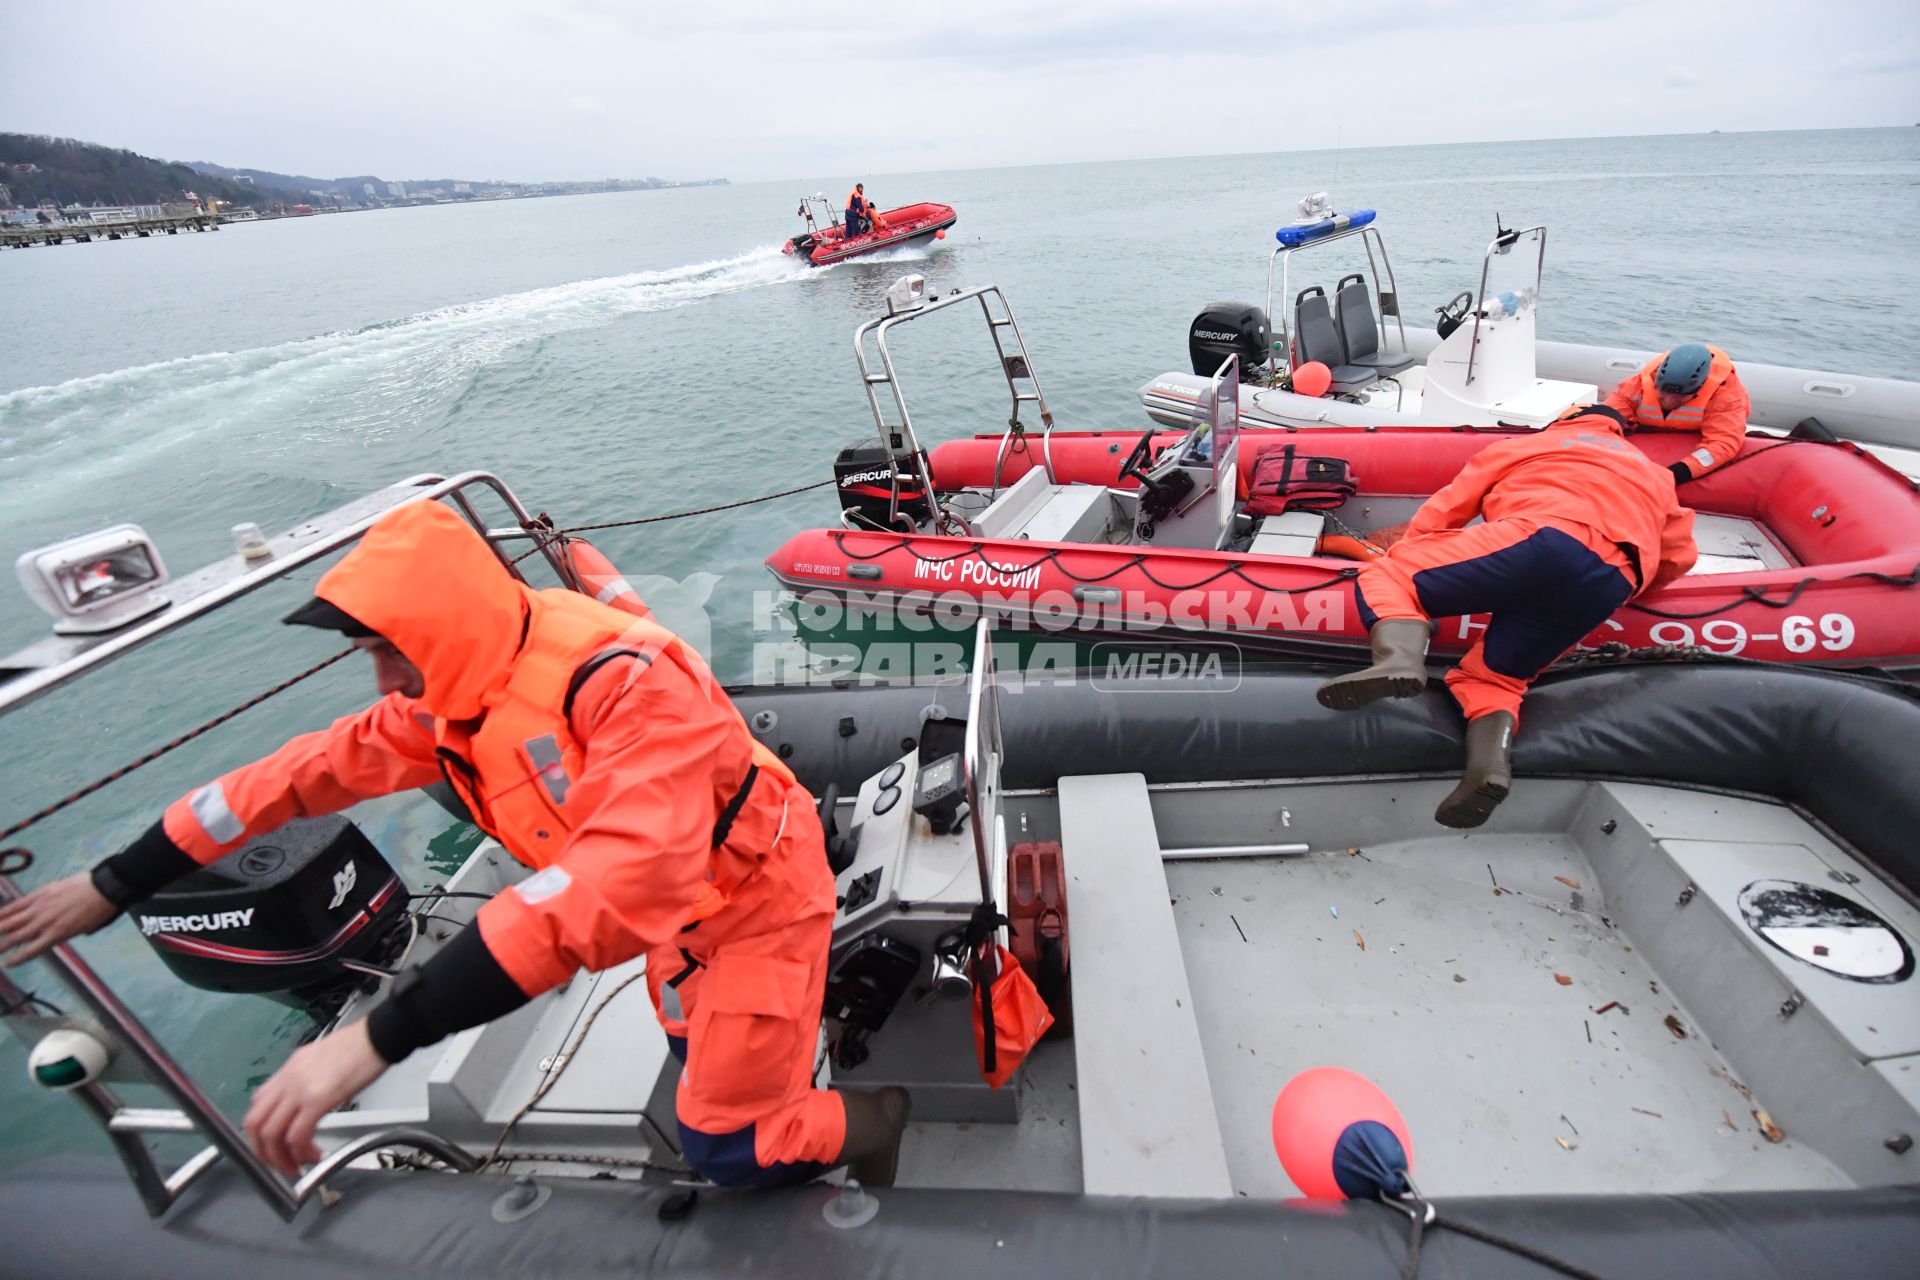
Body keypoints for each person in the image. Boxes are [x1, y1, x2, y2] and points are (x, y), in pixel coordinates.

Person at [0, 500, 910, 1188]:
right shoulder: (449, 702)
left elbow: (620, 878)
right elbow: (284, 779)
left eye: (395, 650)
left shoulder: (622, 683)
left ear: (448, 629)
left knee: (729, 1144)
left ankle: (879, 1119)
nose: (387, 680)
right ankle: (764, 1068)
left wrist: (378, 1039)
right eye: (373, 655)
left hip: (754, 895)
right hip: (679, 923)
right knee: (685, 1052)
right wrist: (117, 882)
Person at [1316, 405, 1697, 828]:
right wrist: (1626, 586)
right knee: (1497, 679)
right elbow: (1679, 556)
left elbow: (1447, 509)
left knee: (1392, 574)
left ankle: (1399, 658)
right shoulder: (1653, 474)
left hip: (1543, 536)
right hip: (1614, 576)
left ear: (1564, 420)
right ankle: (1489, 768)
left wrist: (1418, 552)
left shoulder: (1530, 445)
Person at [1602, 342, 1752, 483]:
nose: (1668, 400)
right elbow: (1603, 418)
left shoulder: (1726, 396)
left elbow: (1723, 444)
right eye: (1663, 392)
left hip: (1686, 450)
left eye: (1678, 396)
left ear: (1700, 388)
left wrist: (1677, 473)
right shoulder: (1640, 384)